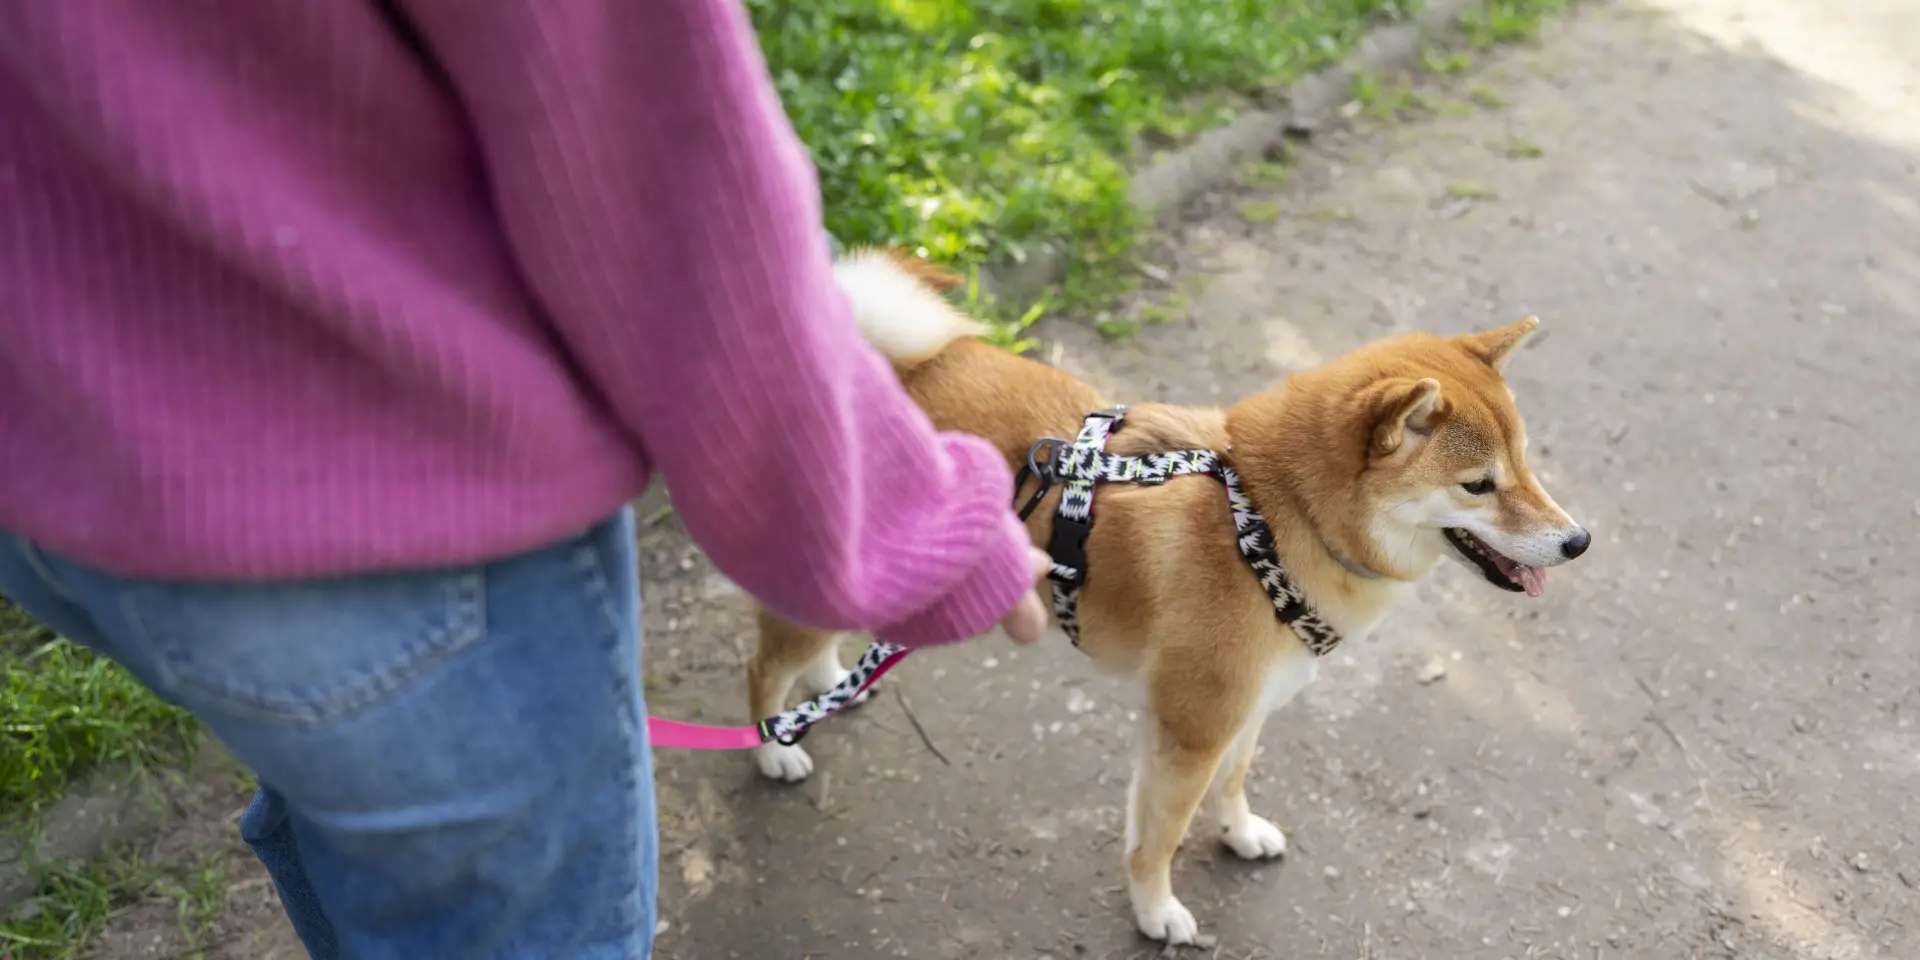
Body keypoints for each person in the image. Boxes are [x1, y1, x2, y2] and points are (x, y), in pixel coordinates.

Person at [0, 2, 1048, 958]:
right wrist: (915, 532)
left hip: (60, 486)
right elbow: (670, 195)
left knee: (355, 839)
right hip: (403, 543)